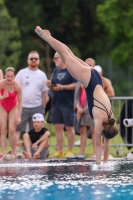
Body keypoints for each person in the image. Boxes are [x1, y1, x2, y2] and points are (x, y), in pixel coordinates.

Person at [35, 26, 119, 164]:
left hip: (95, 77)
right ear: (104, 129)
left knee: (70, 54)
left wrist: (105, 164)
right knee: (65, 55)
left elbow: (106, 145)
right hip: (88, 80)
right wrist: (99, 165)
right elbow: (98, 145)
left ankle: (49, 37)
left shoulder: (111, 120)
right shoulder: (100, 121)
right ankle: (46, 37)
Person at [46, 52, 77, 158]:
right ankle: (60, 150)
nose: (54, 60)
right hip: (56, 102)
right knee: (58, 126)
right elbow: (54, 83)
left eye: (56, 58)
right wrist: (50, 84)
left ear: (62, 58)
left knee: (69, 127)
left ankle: (70, 150)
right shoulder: (55, 70)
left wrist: (62, 87)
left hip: (68, 103)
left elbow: (76, 84)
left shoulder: (71, 70)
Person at [15, 51, 49, 141]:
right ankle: (15, 151)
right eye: (31, 58)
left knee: (35, 131)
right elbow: (15, 90)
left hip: (37, 107)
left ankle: (31, 151)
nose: (34, 60)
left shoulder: (42, 75)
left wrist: (43, 108)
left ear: (39, 61)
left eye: (36, 59)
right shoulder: (21, 73)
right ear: (27, 60)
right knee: (17, 129)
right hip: (22, 107)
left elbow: (44, 93)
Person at [0, 67, 22, 159]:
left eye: (11, 76)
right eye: (7, 76)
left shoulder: (17, 86)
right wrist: (3, 97)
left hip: (13, 107)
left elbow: (20, 102)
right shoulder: (1, 84)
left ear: (14, 76)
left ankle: (13, 152)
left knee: (12, 129)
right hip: (2, 106)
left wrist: (19, 116)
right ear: (5, 76)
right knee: (3, 129)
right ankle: (4, 153)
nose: (9, 78)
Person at [74, 81, 94, 159]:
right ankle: (81, 153)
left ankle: (96, 152)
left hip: (91, 109)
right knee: (82, 131)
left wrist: (85, 109)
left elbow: (94, 97)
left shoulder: (94, 80)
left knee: (93, 130)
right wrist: (78, 107)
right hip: (80, 109)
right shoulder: (79, 81)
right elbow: (76, 96)